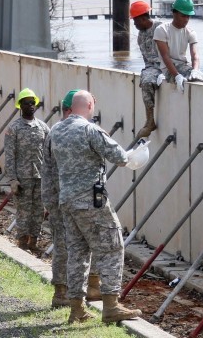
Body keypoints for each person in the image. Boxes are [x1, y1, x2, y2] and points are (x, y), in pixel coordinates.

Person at [49, 90, 142, 324]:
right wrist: (136, 154)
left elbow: (50, 168)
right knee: (112, 246)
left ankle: (76, 309)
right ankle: (111, 306)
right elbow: (120, 157)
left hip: (67, 201)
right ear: (90, 105)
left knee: (77, 253)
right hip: (91, 199)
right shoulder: (90, 129)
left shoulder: (55, 130)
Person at [41, 89, 102, 309]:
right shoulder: (57, 133)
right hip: (63, 200)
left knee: (90, 242)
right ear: (70, 110)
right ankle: (61, 292)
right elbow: (47, 172)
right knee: (64, 246)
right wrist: (49, 203)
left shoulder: (76, 131)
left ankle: (92, 286)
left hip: (80, 198)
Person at [4, 88, 49, 253]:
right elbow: (10, 155)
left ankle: (33, 242)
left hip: (40, 177)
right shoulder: (14, 128)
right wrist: (13, 179)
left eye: (32, 103)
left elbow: (49, 153)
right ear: (20, 106)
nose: (30, 106)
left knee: (38, 211)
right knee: (23, 211)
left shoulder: (43, 128)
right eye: (26, 103)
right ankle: (22, 242)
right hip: (23, 178)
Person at [153, 0, 203, 93]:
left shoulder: (190, 32)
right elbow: (165, 56)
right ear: (174, 13)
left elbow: (195, 55)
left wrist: (195, 70)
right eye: (183, 16)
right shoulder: (162, 30)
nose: (186, 19)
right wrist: (177, 76)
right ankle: (163, 76)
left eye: (188, 16)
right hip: (167, 68)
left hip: (183, 65)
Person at [130, 0, 163, 138]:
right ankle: (149, 119)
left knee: (147, 81)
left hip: (163, 65)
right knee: (145, 77)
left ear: (143, 18)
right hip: (151, 67)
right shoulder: (141, 35)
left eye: (135, 20)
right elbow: (146, 58)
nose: (134, 24)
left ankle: (150, 121)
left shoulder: (160, 28)